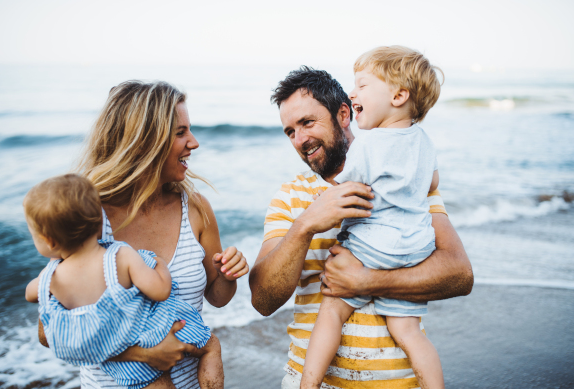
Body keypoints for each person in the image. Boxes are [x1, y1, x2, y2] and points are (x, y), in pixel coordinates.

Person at [249, 66, 473, 389]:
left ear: (343, 114)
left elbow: (459, 275)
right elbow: (262, 300)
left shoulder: (405, 181)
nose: (300, 140)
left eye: (307, 123)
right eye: (290, 132)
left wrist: (366, 280)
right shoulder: (289, 198)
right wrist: (306, 224)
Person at [36, 80, 250, 389]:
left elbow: (217, 298)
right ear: (144, 141)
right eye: (180, 132)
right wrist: (140, 353)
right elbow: (49, 332)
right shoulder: (89, 217)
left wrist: (228, 275)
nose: (194, 142)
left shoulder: (197, 209)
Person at [301, 47, 444, 389]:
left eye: (362, 86)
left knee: (332, 311)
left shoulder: (369, 143)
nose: (353, 93)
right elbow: (432, 182)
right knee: (408, 331)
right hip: (415, 249)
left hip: (374, 246)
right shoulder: (424, 141)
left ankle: (307, 384)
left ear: (398, 95)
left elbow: (345, 186)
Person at [24, 174, 222, 389]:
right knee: (211, 346)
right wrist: (160, 266)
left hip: (116, 361)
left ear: (49, 241)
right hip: (149, 335)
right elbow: (160, 291)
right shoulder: (120, 256)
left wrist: (46, 276)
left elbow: (31, 295)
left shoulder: (51, 278)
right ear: (100, 220)